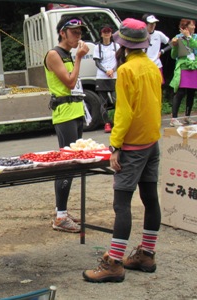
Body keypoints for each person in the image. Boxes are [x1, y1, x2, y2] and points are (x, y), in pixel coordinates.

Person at [83, 18, 162, 283]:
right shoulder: (152, 67)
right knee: (150, 198)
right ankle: (146, 254)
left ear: (122, 43)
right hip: (152, 141)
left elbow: (125, 113)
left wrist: (115, 146)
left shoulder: (126, 70)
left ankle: (114, 263)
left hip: (133, 145)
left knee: (121, 203)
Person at [43, 15, 89, 233]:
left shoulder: (68, 54)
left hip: (76, 111)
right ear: (62, 32)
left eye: (80, 33)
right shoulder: (54, 54)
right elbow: (69, 81)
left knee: (73, 162)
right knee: (67, 163)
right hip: (64, 114)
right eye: (74, 33)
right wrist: (79, 58)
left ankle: (62, 211)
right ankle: (60, 216)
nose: (78, 37)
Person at [169, 18, 197, 127]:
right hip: (183, 67)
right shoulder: (178, 38)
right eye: (192, 25)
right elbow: (173, 55)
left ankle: (187, 116)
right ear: (185, 27)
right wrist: (175, 46)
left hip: (194, 65)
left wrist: (189, 37)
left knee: (191, 92)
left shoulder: (195, 37)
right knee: (180, 92)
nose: (194, 27)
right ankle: (174, 118)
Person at [93, 24, 119, 133]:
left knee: (116, 100)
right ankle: (107, 123)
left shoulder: (116, 46)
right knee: (103, 103)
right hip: (102, 77)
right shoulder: (97, 47)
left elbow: (119, 60)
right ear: (101, 34)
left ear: (111, 33)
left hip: (114, 76)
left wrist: (112, 70)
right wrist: (106, 71)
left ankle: (118, 122)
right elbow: (97, 62)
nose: (107, 33)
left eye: (108, 31)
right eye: (104, 31)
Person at [141, 14, 171, 84]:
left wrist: (162, 51)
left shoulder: (159, 34)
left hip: (156, 65)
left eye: (154, 23)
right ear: (145, 24)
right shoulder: (140, 35)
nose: (153, 25)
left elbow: (171, 44)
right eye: (150, 23)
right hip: (143, 66)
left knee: (157, 86)